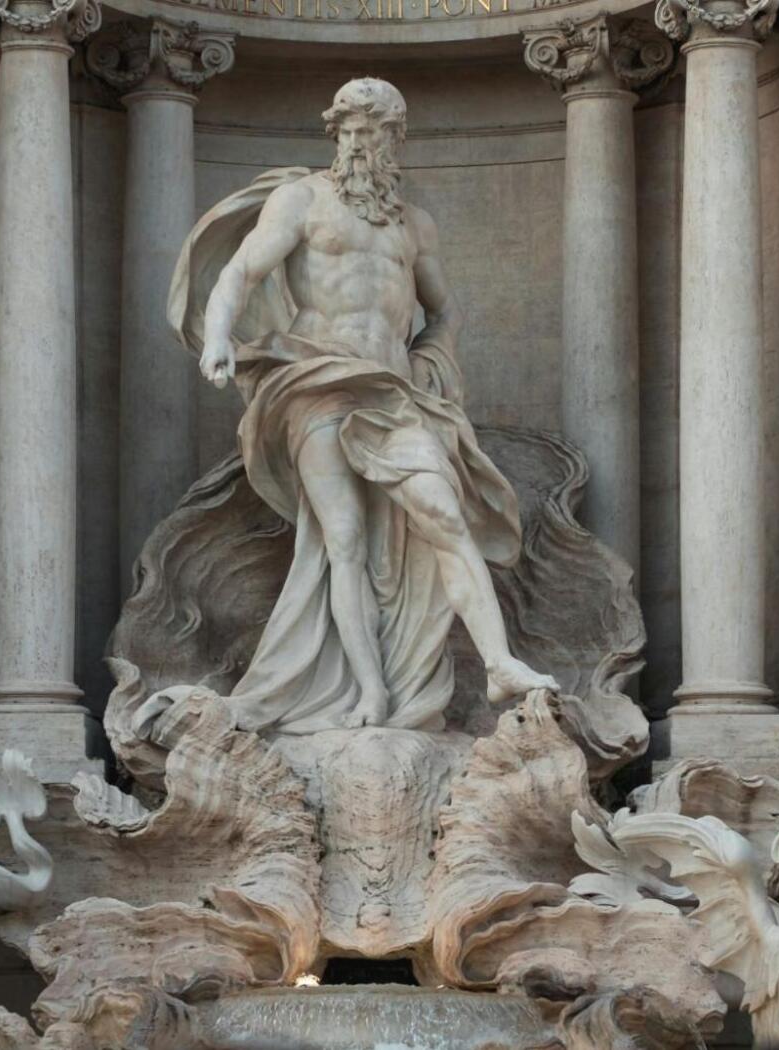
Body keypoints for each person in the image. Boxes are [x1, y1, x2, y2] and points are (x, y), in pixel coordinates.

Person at [169, 77, 557, 733]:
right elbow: (240, 272)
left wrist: (435, 358)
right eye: (349, 131)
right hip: (317, 381)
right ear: (335, 134)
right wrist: (216, 339)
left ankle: (498, 664)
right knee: (341, 540)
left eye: (373, 133)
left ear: (395, 141)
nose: (359, 144)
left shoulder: (414, 225)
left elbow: (444, 309)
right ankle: (370, 694)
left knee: (444, 512)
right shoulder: (303, 200)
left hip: (393, 393)